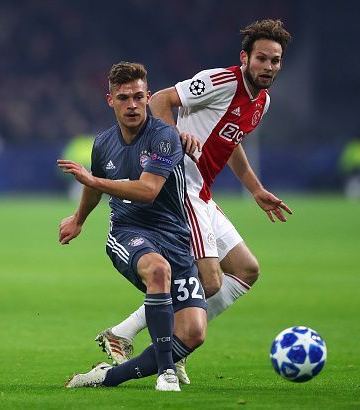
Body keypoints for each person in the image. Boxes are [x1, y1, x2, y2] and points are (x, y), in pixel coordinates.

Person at [96, 19, 293, 384]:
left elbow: (229, 143)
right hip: (181, 186)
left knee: (247, 270)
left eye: (275, 61)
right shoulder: (223, 81)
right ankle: (141, 338)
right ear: (245, 58)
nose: (268, 67)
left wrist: (255, 189)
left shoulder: (261, 102)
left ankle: (153, 340)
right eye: (262, 58)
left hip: (203, 193)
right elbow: (160, 100)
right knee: (210, 280)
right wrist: (175, 135)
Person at [58, 62, 207, 391]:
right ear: (110, 101)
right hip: (128, 231)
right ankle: (167, 373)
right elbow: (95, 187)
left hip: (173, 235)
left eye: (139, 97)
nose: (132, 105)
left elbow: (148, 190)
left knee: (194, 332)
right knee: (157, 270)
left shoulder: (165, 137)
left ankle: (106, 376)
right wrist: (79, 220)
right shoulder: (103, 144)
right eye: (124, 98)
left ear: (148, 97)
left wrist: (92, 178)